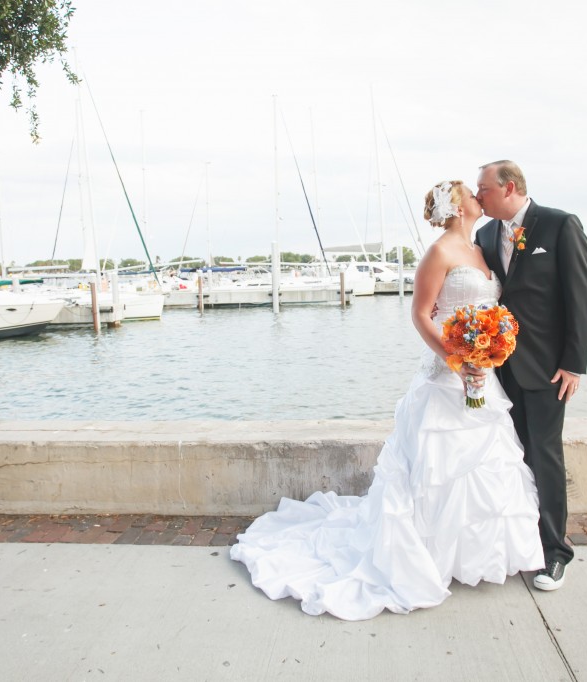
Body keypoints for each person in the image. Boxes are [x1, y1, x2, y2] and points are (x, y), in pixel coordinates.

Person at [230, 180, 544, 620]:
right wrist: (457, 359)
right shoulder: (440, 253)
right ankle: (427, 554)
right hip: (447, 376)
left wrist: (486, 352)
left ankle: (469, 554)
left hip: (481, 376)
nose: (478, 196)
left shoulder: (480, 251)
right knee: (437, 469)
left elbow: (485, 310)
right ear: (456, 205)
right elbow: (420, 314)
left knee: (484, 465)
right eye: (471, 193)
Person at [473, 160, 587, 591]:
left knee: (544, 456)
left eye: (483, 189)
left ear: (508, 188)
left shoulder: (560, 225)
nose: (478, 196)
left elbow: (581, 295)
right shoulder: (486, 235)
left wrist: (573, 363)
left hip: (548, 369)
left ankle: (555, 554)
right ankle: (518, 543)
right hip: (497, 370)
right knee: (510, 456)